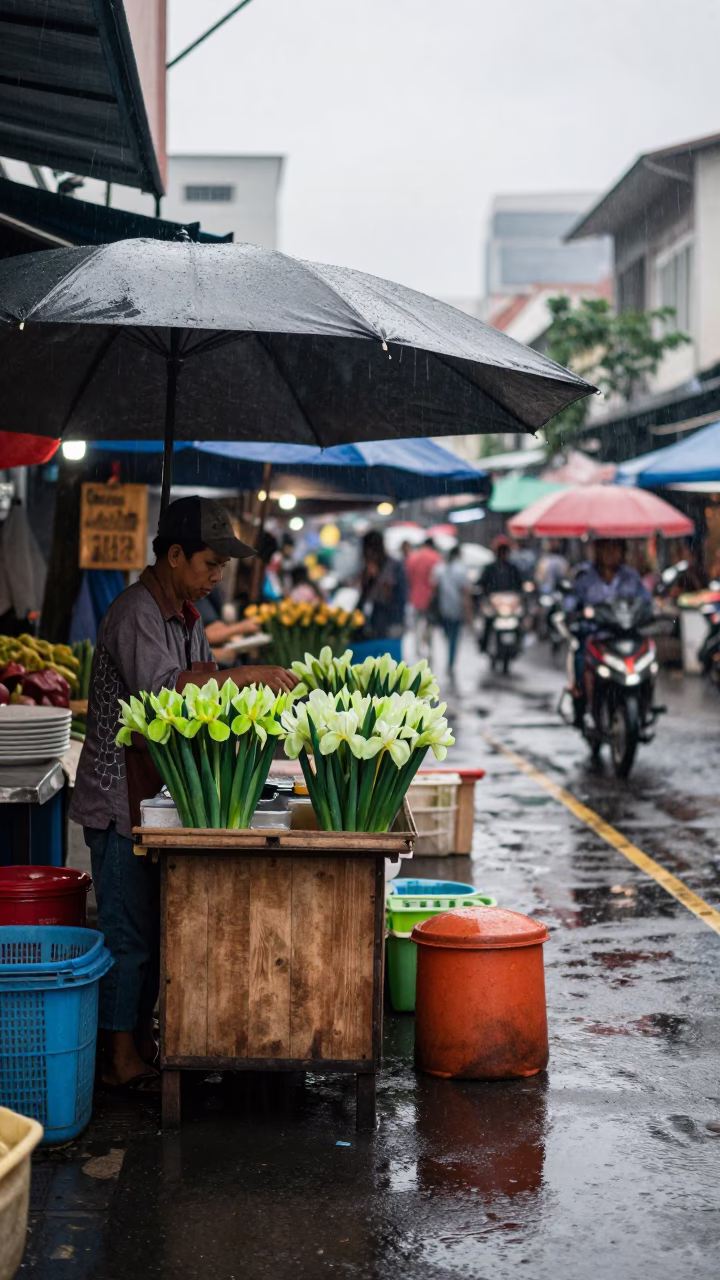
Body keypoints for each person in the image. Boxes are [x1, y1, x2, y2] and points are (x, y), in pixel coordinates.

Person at [70, 497, 299, 1092]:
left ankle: (140, 1045)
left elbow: (207, 697)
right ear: (174, 556)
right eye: (210, 562)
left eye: (223, 563)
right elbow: (166, 697)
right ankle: (119, 1061)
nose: (218, 574)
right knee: (128, 935)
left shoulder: (188, 617)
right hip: (120, 800)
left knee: (154, 928)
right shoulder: (135, 614)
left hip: (159, 801)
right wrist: (244, 677)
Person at [564, 538, 651, 723]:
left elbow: (645, 601)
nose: (612, 553)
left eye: (616, 547)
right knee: (580, 658)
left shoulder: (631, 577)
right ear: (598, 550)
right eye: (607, 548)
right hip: (595, 636)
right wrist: (575, 611)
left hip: (626, 636)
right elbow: (571, 602)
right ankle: (582, 706)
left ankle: (646, 706)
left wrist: (650, 609)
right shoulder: (585, 577)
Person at [357, 530, 407, 659]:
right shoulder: (367, 568)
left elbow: (400, 597)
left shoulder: (394, 567)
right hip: (371, 626)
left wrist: (378, 579)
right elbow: (364, 598)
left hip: (391, 624)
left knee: (391, 665)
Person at [477, 536, 523, 651]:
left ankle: (519, 644)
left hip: (510, 603)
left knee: (520, 621)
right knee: (488, 621)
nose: (503, 554)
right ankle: (484, 644)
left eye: (505, 551)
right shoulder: (490, 568)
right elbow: (482, 583)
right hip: (494, 603)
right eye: (501, 551)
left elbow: (520, 584)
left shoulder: (513, 568)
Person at [432, 545, 471, 678]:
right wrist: (468, 613)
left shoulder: (440, 568)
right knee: (453, 638)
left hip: (444, 609)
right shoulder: (460, 570)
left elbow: (434, 586)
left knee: (448, 636)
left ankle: (450, 662)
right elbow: (465, 592)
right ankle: (450, 663)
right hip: (456, 609)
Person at [405, 536, 442, 658]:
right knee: (429, 625)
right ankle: (429, 648)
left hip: (414, 597)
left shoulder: (413, 557)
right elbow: (437, 579)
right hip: (430, 598)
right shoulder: (435, 557)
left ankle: (417, 649)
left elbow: (408, 578)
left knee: (416, 626)